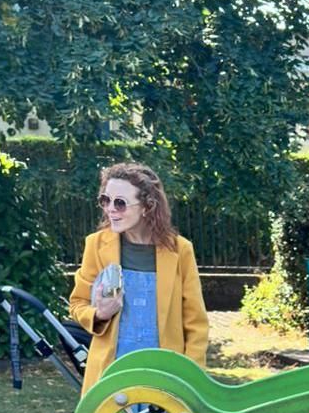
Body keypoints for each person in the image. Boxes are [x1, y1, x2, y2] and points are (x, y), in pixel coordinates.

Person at [68, 162, 209, 398]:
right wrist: (99, 315)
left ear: (147, 206)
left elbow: (196, 324)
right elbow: (77, 304)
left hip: (165, 376)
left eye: (120, 203)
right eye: (105, 200)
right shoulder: (95, 245)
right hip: (110, 375)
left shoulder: (180, 250)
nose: (111, 209)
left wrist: (190, 378)